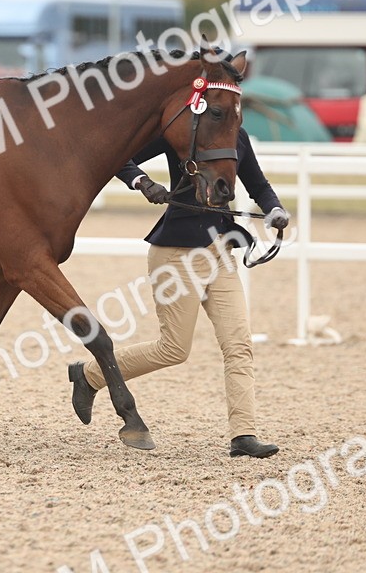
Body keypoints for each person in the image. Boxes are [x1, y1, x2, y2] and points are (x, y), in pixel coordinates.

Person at [69, 125, 290, 458]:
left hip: (220, 253)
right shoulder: (180, 133)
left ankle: (243, 435)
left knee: (239, 344)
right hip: (174, 255)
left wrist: (274, 209)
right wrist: (143, 182)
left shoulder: (237, 137)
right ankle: (89, 375)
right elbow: (118, 156)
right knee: (173, 349)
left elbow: (258, 185)